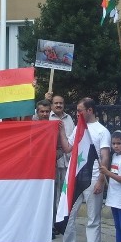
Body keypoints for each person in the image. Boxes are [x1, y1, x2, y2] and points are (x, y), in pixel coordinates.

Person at [55, 97, 111, 242]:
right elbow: (67, 148)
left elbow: (105, 157)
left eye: (80, 110)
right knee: (69, 214)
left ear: (90, 110)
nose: (77, 113)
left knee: (93, 217)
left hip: (93, 177)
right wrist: (62, 131)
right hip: (75, 177)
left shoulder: (102, 131)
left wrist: (101, 180)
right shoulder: (78, 128)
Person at [47, 94, 74, 231]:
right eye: (56, 103)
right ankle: (50, 224)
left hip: (66, 162)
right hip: (51, 162)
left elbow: (73, 138)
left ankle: (61, 223)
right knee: (51, 195)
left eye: (61, 103)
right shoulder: (47, 116)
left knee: (62, 195)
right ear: (51, 104)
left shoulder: (69, 118)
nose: (58, 105)